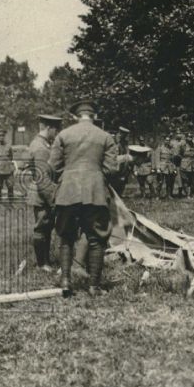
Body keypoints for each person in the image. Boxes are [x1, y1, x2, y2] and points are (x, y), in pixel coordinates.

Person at [49, 99, 123, 295]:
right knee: (96, 238)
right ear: (94, 116)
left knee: (66, 237)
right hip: (95, 192)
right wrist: (95, 176)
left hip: (68, 192)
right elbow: (112, 169)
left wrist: (70, 175)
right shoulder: (105, 136)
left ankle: (65, 281)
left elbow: (53, 166)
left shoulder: (63, 135)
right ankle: (94, 286)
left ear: (75, 116)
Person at [27, 114, 62, 271]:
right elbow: (43, 179)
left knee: (47, 227)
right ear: (49, 128)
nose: (57, 133)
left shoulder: (42, 144)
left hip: (43, 194)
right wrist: (53, 200)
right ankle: (42, 263)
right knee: (42, 227)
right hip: (42, 195)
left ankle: (46, 261)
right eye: (56, 129)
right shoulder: (40, 148)